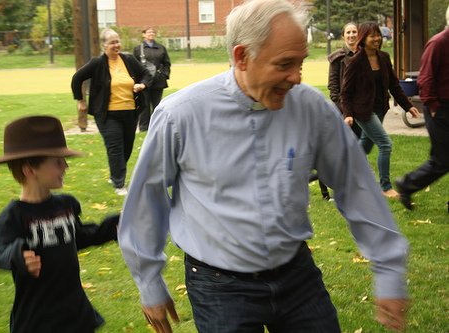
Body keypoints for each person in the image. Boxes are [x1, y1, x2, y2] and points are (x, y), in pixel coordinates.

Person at [119, 1, 409, 332]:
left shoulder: (312, 110)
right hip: (219, 286)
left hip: (297, 276)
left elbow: (356, 186)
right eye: (284, 64)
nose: (296, 78)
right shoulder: (181, 115)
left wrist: (389, 272)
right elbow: (147, 198)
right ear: (242, 56)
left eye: (300, 63)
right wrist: (150, 283)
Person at [0, 115, 119, 332]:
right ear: (30, 170)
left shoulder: (65, 205)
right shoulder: (13, 217)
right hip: (39, 320)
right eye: (57, 162)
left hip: (76, 313)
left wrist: (112, 227)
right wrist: (17, 256)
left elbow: (78, 236)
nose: (65, 166)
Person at [341, 22, 420, 199]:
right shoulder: (355, 62)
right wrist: (348, 115)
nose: (377, 39)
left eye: (378, 35)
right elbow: (345, 93)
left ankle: (346, 173)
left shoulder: (384, 57)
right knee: (385, 144)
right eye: (372, 36)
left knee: (365, 147)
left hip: (380, 108)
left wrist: (408, 106)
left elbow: (394, 85)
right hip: (363, 111)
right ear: (364, 39)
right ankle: (385, 187)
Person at [71, 28, 152, 195]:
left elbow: (145, 74)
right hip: (107, 115)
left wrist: (142, 85)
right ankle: (119, 184)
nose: (116, 45)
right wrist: (80, 100)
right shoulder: (97, 63)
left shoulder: (128, 59)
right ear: (104, 45)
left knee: (127, 147)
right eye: (112, 42)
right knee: (115, 147)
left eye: (118, 41)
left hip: (130, 112)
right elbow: (77, 78)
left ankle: (115, 174)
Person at [395, 6, 449, 210]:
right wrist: (433, 107)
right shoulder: (438, 43)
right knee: (442, 159)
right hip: (439, 108)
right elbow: (425, 79)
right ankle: (407, 185)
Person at [311, 22, 360, 202]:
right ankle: (326, 191)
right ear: (343, 36)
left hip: (360, 113)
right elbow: (333, 88)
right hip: (342, 113)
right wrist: (345, 111)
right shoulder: (337, 58)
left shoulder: (364, 56)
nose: (352, 35)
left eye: (354, 32)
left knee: (354, 152)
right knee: (334, 153)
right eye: (348, 32)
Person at [133, 27, 171, 132]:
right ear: (143, 34)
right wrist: (137, 81)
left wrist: (164, 75)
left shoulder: (161, 48)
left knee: (157, 105)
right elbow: (134, 66)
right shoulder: (138, 49)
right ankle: (144, 128)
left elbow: (167, 63)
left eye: (153, 32)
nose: (151, 34)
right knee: (144, 105)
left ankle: (157, 127)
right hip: (143, 82)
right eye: (149, 32)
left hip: (158, 81)